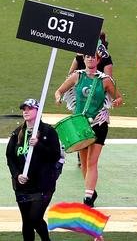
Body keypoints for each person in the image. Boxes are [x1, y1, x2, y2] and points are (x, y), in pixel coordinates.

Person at [54, 53, 122, 207]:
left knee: (92, 161)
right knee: (84, 163)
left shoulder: (105, 80)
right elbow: (59, 91)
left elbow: (118, 97)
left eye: (93, 57)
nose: (90, 59)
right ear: (83, 60)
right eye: (87, 57)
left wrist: (117, 101)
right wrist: (58, 98)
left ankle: (88, 198)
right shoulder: (77, 77)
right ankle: (91, 190)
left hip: (99, 123)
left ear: (98, 60)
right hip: (80, 124)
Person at [6, 99, 62, 241]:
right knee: (27, 222)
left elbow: (55, 156)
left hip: (43, 185)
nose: (26, 111)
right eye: (24, 109)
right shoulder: (17, 133)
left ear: (38, 111)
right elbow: (10, 157)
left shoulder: (48, 132)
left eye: (30, 108)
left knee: (35, 219)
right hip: (23, 186)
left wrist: (39, 145)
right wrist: (17, 175)